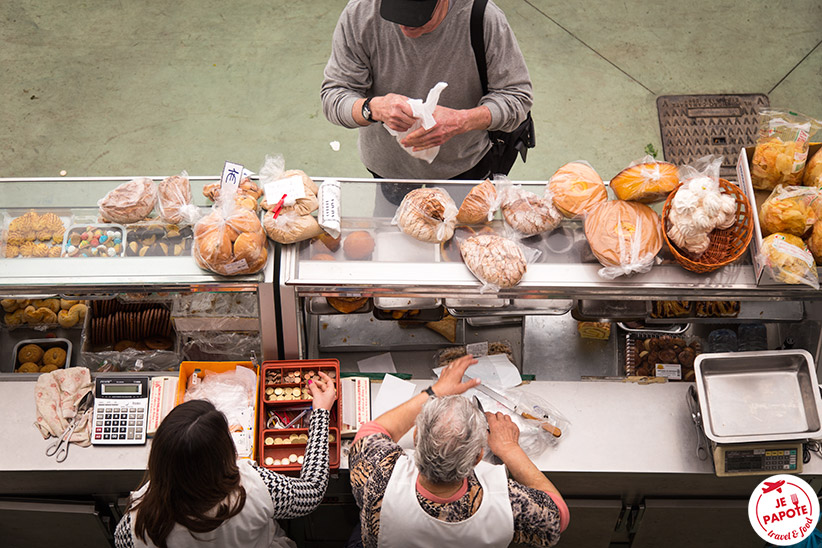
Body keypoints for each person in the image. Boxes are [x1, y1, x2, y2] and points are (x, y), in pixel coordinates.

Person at [321, 0, 533, 204]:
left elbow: (517, 97)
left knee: (463, 235)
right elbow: (335, 94)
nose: (404, 25)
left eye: (418, 15)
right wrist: (372, 108)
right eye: (396, 10)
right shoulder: (360, 14)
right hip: (390, 170)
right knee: (393, 236)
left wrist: (461, 121)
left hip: (463, 166)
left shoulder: (483, 17)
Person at [348, 355, 569, 547]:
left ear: (416, 439)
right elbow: (558, 517)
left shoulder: (378, 475)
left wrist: (435, 391)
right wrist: (510, 449)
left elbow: (374, 431)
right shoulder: (508, 503)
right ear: (478, 457)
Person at [113, 372, 337, 548]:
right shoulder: (250, 488)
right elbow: (311, 491)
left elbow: (120, 541)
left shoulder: (136, 525)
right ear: (224, 454)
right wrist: (320, 414)